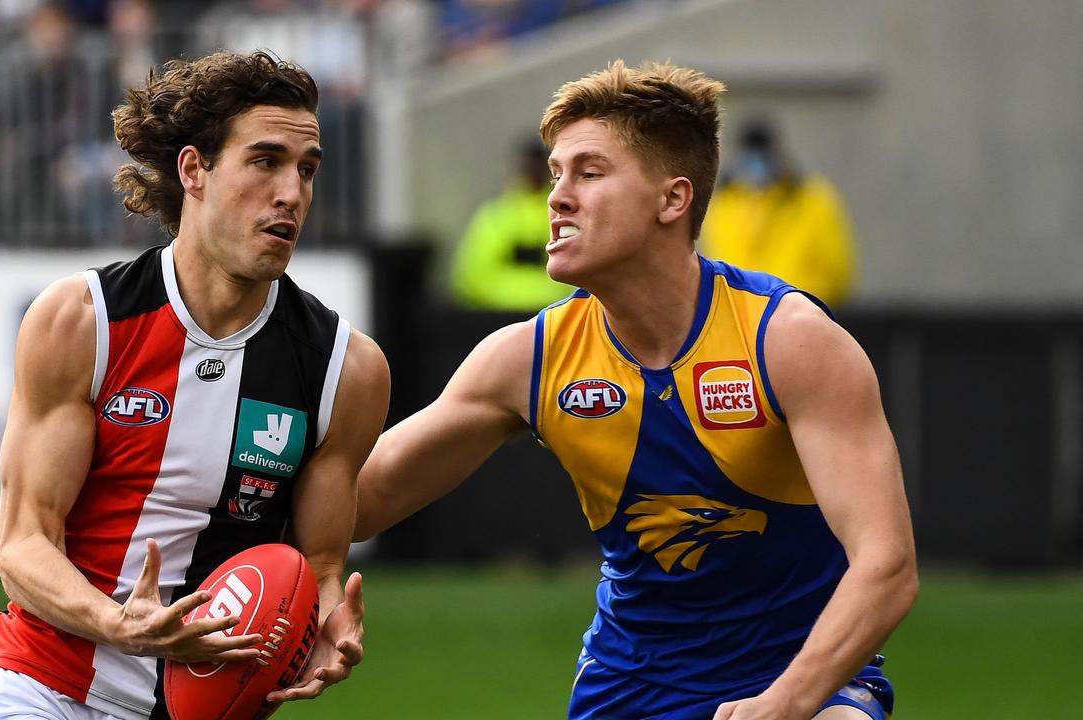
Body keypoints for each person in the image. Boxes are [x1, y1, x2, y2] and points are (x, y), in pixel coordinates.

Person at [356, 60, 917, 720]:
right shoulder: (527, 359)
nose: (557, 196)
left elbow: (887, 567)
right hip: (630, 688)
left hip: (803, 681)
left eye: (589, 173)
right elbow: (363, 499)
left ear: (672, 200)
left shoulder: (787, 339)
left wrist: (784, 703)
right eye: (556, 173)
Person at [0, 51, 390, 720]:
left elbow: (321, 565)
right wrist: (117, 624)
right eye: (266, 161)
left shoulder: (345, 369)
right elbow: (22, 547)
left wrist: (328, 623)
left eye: (307, 170)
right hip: (41, 686)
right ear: (194, 169)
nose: (291, 192)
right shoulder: (83, 321)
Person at [701, 119, 858, 308]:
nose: (755, 164)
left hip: (802, 312)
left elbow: (837, 268)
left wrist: (815, 302)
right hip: (744, 315)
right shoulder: (725, 202)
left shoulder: (811, 199)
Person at [449, 137, 574, 311]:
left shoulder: (567, 212)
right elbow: (472, 277)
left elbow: (576, 272)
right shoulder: (495, 215)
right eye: (531, 165)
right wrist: (543, 292)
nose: (535, 171)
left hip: (555, 315)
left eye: (541, 166)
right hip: (503, 317)